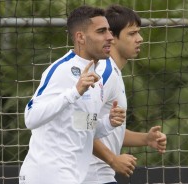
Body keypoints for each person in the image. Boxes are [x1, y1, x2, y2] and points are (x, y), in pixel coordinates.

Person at [19, 5, 126, 184]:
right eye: (101, 31)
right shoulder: (62, 70)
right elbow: (30, 118)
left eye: (109, 31)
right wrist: (74, 92)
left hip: (71, 175)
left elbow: (78, 125)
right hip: (48, 175)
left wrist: (108, 122)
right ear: (80, 37)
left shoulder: (96, 73)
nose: (109, 37)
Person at [83, 4, 167, 184]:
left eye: (138, 32)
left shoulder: (113, 72)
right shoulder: (104, 73)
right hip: (91, 176)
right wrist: (112, 159)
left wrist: (146, 139)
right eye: (132, 33)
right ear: (111, 37)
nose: (140, 39)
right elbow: (80, 122)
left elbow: (106, 129)